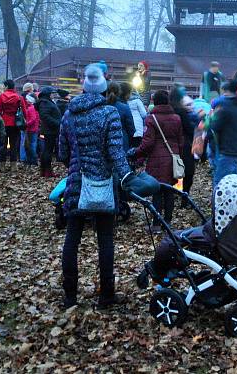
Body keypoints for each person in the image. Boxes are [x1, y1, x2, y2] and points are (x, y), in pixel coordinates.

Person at [59, 63, 159, 309]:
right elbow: (116, 153)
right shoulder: (109, 114)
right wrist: (128, 177)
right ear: (103, 87)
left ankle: (70, 295)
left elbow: (62, 151)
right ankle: (106, 296)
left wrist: (74, 165)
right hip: (102, 184)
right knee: (105, 240)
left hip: (76, 182)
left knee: (72, 239)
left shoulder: (69, 113)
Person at [132, 89, 183, 231]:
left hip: (156, 160)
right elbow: (180, 141)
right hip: (172, 159)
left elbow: (148, 143)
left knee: (157, 191)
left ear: (154, 102)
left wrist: (136, 155)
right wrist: (179, 156)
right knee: (169, 191)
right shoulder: (177, 118)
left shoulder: (151, 119)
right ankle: (168, 222)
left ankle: (156, 224)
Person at [208, 79, 237, 188]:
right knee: (234, 182)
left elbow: (213, 127)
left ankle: (217, 204)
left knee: (220, 183)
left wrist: (210, 119)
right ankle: (233, 204)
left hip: (226, 150)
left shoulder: (223, 107)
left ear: (226, 91)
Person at [170, 88, 198, 193]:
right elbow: (190, 129)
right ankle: (184, 195)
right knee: (187, 171)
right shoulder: (182, 112)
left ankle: (173, 192)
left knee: (173, 171)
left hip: (169, 145)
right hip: (184, 145)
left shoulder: (169, 110)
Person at [0, 80, 28, 171]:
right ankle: (13, 166)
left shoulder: (1, 96)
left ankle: (2, 166)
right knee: (13, 145)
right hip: (16, 123)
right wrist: (25, 121)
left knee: (3, 144)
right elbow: (24, 111)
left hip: (4, 122)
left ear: (6, 86)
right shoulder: (19, 97)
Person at [36, 86, 62, 178]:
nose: (53, 95)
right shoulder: (45, 102)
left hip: (50, 130)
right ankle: (47, 171)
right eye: (51, 93)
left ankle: (45, 171)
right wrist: (57, 123)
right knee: (47, 151)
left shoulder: (46, 102)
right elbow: (45, 116)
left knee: (47, 151)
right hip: (49, 131)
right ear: (48, 94)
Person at [106, 82, 135, 152]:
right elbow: (131, 129)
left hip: (104, 144)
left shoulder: (101, 106)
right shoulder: (125, 108)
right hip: (122, 144)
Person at [23, 95, 40, 167]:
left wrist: (26, 124)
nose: (26, 100)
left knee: (30, 145)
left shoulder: (31, 108)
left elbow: (33, 119)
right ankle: (32, 161)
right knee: (32, 145)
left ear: (31, 100)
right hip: (34, 129)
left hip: (31, 129)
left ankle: (33, 160)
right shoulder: (34, 108)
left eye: (27, 99)